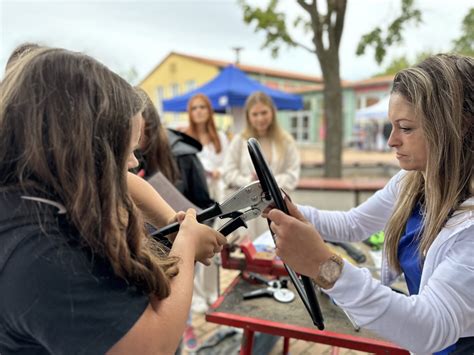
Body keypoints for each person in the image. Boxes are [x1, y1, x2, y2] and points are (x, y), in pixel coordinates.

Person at [0, 47, 226, 354]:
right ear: (84, 152)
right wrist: (185, 247)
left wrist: (172, 220)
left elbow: (122, 179)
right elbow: (152, 347)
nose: (134, 163)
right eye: (124, 152)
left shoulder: (27, 188)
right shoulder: (43, 255)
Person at [266, 54, 473, 354]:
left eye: (406, 127)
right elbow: (354, 224)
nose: (392, 141)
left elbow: (431, 328)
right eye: (392, 126)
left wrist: (324, 266)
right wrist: (285, 209)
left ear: (460, 125)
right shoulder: (414, 182)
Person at [222, 91, 300, 240]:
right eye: (255, 114)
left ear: (272, 112)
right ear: (248, 116)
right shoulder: (239, 140)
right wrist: (249, 182)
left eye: (264, 113)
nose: (260, 118)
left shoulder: (286, 141)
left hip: (278, 206)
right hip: (248, 209)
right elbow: (228, 172)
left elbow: (292, 176)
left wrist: (269, 183)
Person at [184, 93, 229, 202]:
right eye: (194, 108)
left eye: (202, 107)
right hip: (197, 195)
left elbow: (228, 163)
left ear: (209, 110)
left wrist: (219, 171)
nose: (198, 111)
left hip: (221, 192)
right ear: (190, 113)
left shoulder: (221, 136)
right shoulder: (185, 139)